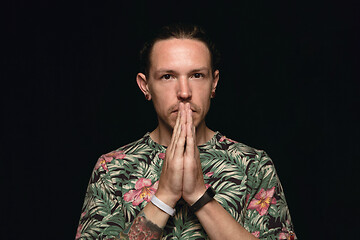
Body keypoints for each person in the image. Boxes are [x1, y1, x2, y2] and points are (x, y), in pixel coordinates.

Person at [76, 23, 296, 240]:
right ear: (145, 86)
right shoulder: (111, 169)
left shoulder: (254, 166)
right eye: (167, 76)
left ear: (214, 83)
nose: (184, 92)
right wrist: (165, 197)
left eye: (197, 75)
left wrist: (199, 196)